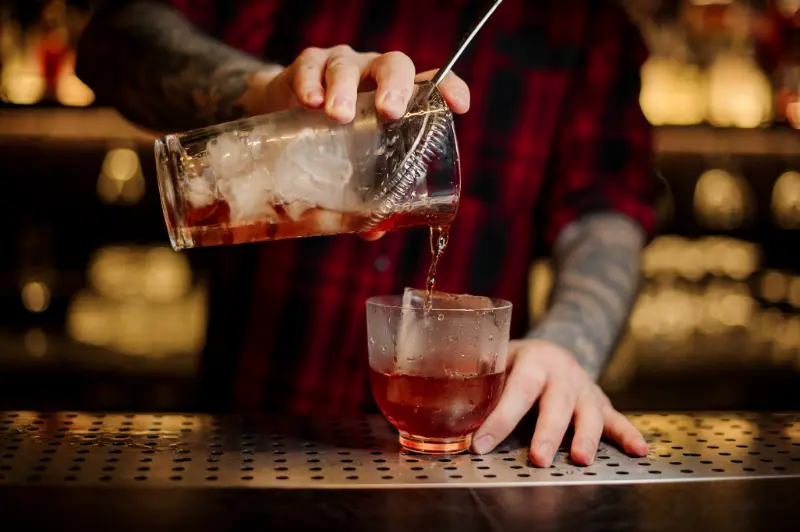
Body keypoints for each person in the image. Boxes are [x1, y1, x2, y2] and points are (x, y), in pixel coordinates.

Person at [75, 0, 659, 467]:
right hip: (247, 450)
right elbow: (115, 39)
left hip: (458, 468)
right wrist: (263, 90)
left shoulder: (584, 24)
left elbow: (607, 214)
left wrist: (567, 344)